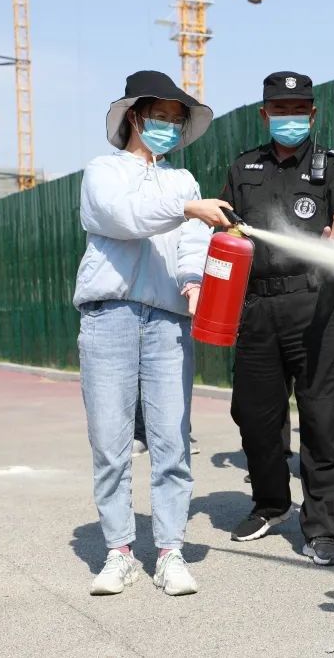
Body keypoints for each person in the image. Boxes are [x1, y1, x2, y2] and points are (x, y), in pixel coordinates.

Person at [74, 71, 236, 595]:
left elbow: (193, 241)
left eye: (175, 119)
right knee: (111, 442)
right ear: (134, 118)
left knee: (172, 441)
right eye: (159, 116)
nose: (168, 125)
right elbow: (123, 217)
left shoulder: (182, 180)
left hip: (168, 321)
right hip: (110, 316)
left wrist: (193, 281)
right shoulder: (103, 172)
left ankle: (170, 552)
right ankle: (118, 552)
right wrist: (186, 208)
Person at [218, 71, 334, 566]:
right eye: (280, 110)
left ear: (312, 114)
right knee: (255, 415)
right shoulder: (244, 167)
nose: (290, 117)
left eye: (299, 109)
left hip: (316, 304)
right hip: (257, 307)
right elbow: (225, 229)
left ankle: (321, 525)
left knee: (323, 418)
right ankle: (270, 503)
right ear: (265, 114)